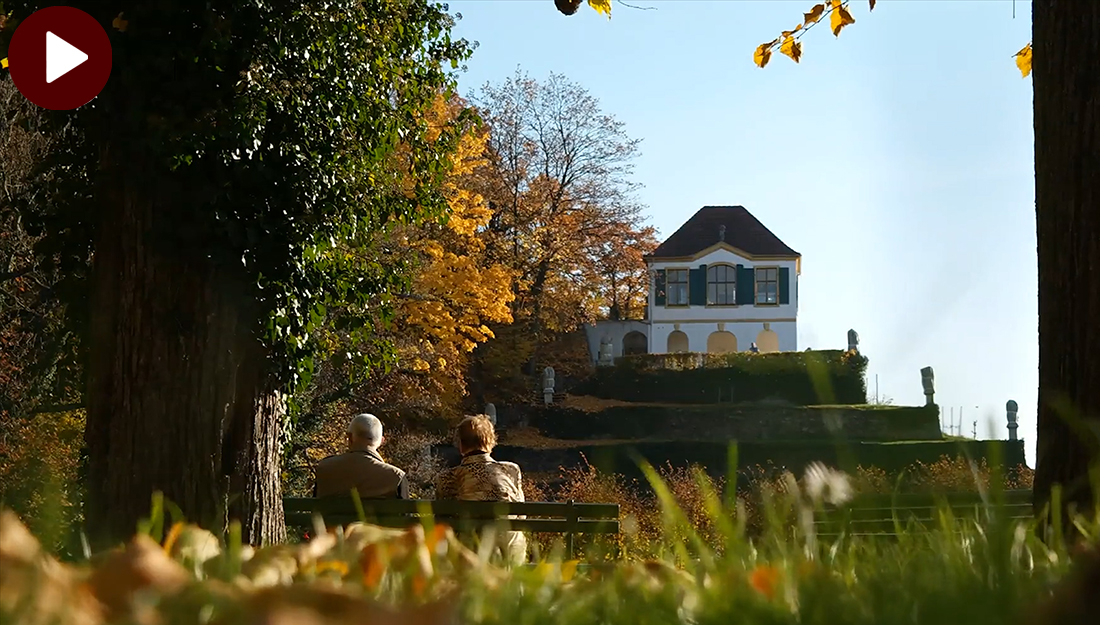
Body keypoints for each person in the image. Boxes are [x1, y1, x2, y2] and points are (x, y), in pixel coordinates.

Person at [435, 415, 526, 564]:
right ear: (490, 442)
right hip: (507, 556)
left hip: (465, 557)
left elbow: (441, 520)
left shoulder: (446, 478)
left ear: (461, 445)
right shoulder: (511, 471)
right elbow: (521, 514)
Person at [313, 413, 409, 499]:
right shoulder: (396, 477)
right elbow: (406, 516)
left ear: (349, 437)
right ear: (381, 441)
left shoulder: (324, 469)